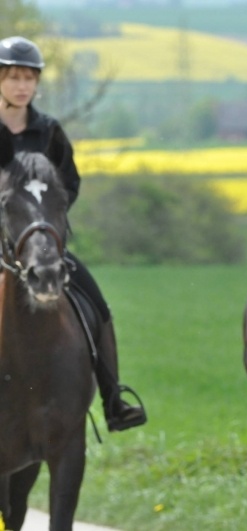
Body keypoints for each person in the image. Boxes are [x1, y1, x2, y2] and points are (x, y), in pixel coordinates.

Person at [0, 36, 146, 431]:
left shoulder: (49, 131)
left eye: (29, 78)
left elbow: (69, 184)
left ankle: (113, 398)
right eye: (13, 77)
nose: (22, 86)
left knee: (97, 304)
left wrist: (46, 223)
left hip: (38, 246)